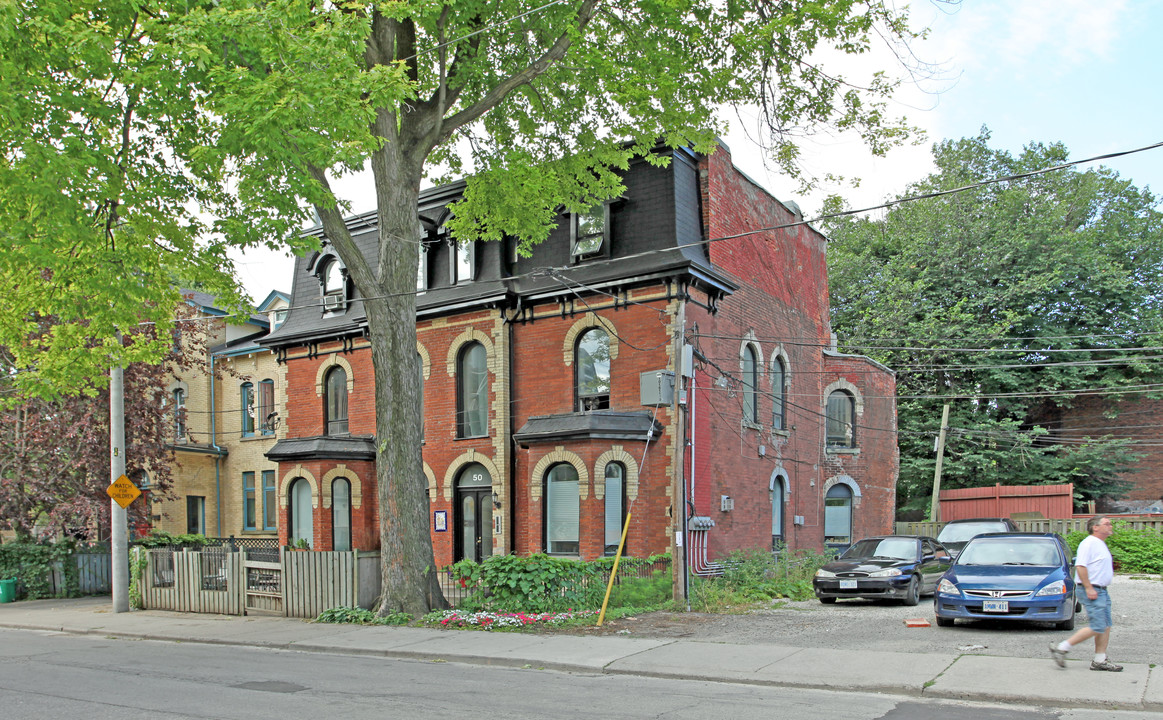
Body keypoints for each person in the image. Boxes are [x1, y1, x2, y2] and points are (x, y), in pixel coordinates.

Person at [1049, 516, 1121, 671]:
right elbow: (1080, 566)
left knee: (1105, 624)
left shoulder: (1100, 544)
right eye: (1106, 524)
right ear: (1095, 527)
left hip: (1101, 590)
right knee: (1098, 625)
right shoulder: (1088, 544)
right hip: (1092, 589)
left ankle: (1100, 660)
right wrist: (1089, 588)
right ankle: (1062, 648)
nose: (1110, 526)